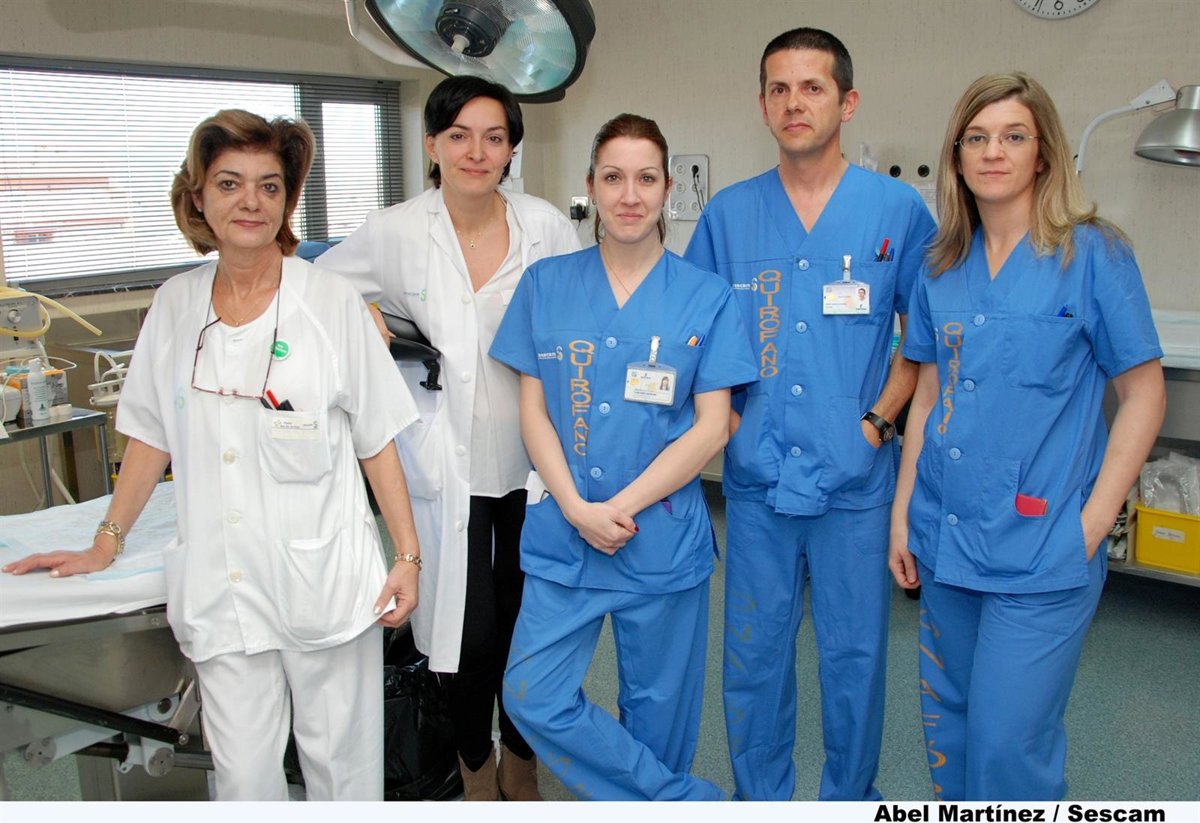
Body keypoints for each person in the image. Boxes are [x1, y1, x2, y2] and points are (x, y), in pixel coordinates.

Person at [2, 110, 423, 800]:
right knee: (243, 779)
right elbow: (150, 434)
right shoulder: (175, 303)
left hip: (322, 578)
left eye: (269, 185)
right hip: (222, 587)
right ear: (198, 197)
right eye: (230, 183)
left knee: (343, 775)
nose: (250, 201)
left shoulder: (332, 303)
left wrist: (406, 554)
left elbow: (378, 437)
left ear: (286, 200)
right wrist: (106, 541)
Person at [889, 72, 1165, 801]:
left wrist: (1092, 525)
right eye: (976, 138)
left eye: (1014, 136)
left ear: (1043, 153)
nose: (993, 152)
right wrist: (902, 514)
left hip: (1043, 547)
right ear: (956, 156)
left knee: (1008, 742)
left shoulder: (1092, 254)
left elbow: (1144, 395)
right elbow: (928, 396)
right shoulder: (940, 266)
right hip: (946, 537)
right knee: (950, 729)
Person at [683, 27, 937, 801]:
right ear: (763, 104)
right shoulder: (728, 216)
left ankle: (848, 801)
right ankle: (761, 800)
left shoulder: (897, 212)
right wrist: (731, 427)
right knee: (753, 657)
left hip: (855, 484)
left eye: (813, 87)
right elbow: (698, 337)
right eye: (780, 89)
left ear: (847, 101)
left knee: (854, 659)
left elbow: (923, 340)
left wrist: (876, 424)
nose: (795, 103)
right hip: (757, 484)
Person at [316, 75, 579, 800]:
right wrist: (363, 313)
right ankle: (474, 767)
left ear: (512, 149)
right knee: (467, 636)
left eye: (494, 137)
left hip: (537, 460)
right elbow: (315, 283)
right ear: (432, 144)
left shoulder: (545, 226)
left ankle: (520, 762)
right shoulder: (397, 231)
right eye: (459, 136)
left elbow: (580, 312)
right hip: (446, 466)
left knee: (529, 626)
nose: (476, 152)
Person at [489, 114, 757, 800]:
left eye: (645, 178)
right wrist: (579, 509)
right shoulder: (545, 285)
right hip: (565, 534)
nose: (630, 195)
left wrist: (619, 507)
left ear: (668, 188)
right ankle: (685, 804)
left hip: (659, 536)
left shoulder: (705, 296)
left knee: (658, 718)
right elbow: (533, 411)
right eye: (613, 177)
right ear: (592, 185)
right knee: (532, 693)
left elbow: (713, 428)